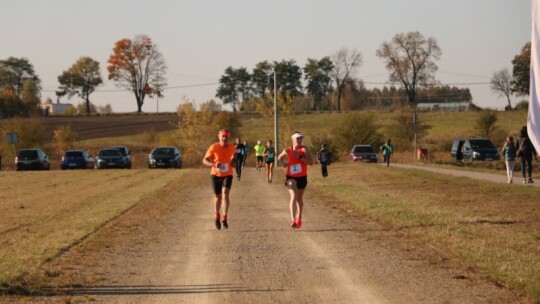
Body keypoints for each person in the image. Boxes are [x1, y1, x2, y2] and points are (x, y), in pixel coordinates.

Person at [277, 131, 313, 229]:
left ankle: (299, 217)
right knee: (293, 195)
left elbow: (310, 162)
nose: (300, 140)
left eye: (301, 138)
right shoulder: (288, 150)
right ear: (293, 139)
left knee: (299, 199)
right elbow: (279, 158)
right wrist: (283, 164)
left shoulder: (304, 150)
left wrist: (300, 157)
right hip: (291, 177)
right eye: (298, 138)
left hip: (302, 177)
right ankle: (293, 219)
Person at [202, 129, 237, 230]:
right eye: (222, 136)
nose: (224, 138)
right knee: (217, 196)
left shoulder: (232, 148)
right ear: (219, 136)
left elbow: (234, 163)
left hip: (228, 174)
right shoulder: (214, 147)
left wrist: (233, 163)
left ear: (228, 137)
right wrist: (213, 164)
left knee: (225, 193)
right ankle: (217, 215)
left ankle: (224, 218)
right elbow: (204, 160)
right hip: (216, 174)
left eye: (226, 136)